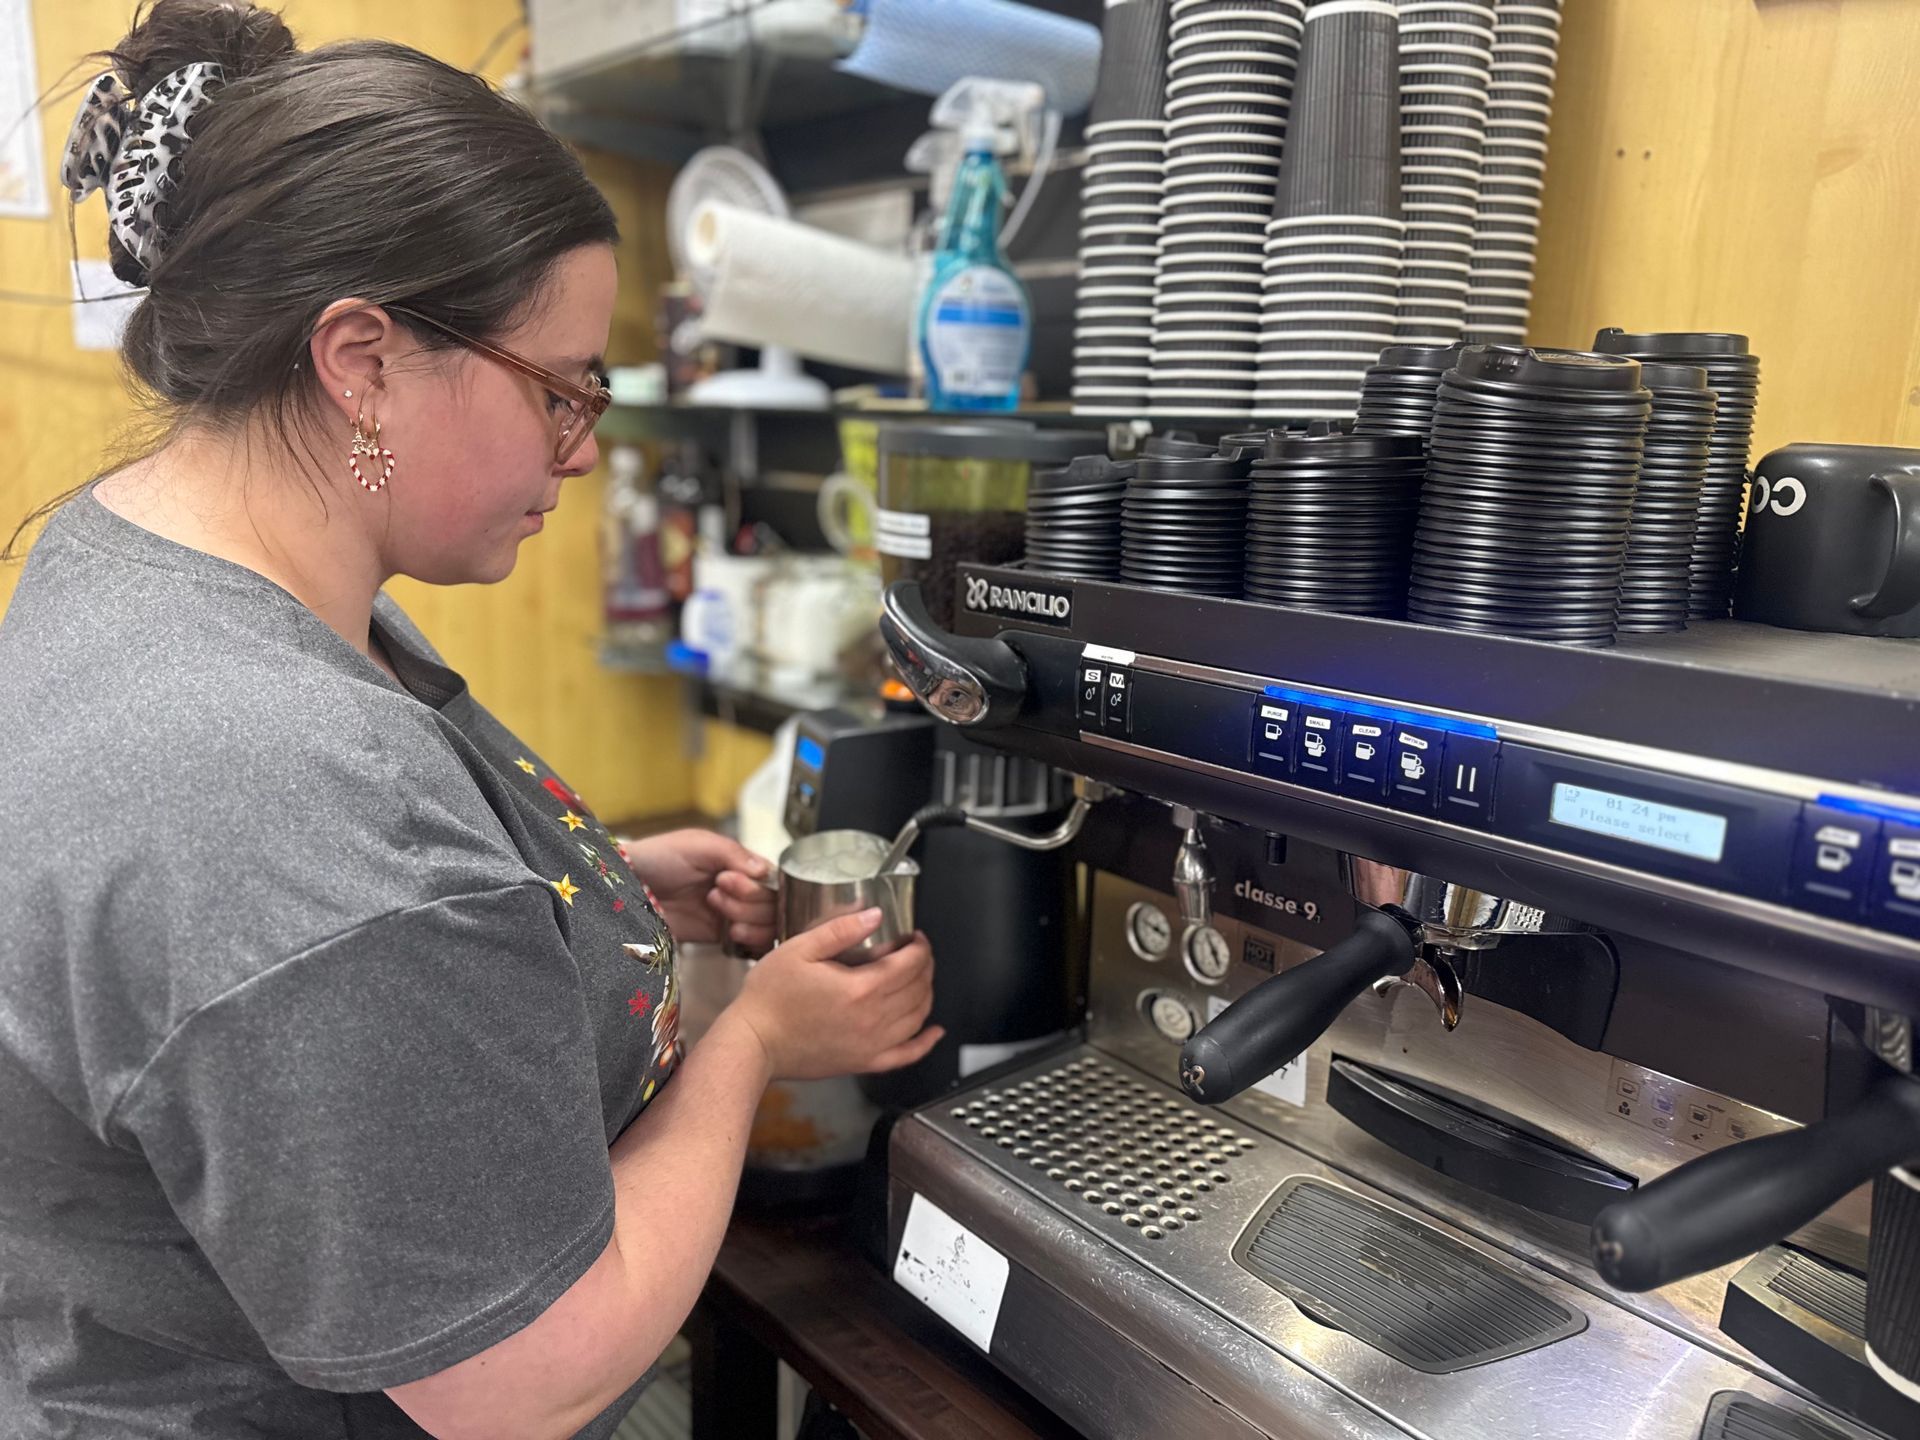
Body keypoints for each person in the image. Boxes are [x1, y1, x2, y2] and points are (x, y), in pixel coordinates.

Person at [0, 3, 941, 1437]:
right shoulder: (274, 784)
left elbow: (319, 952)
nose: (582, 450)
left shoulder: (153, 567)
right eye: (561, 390)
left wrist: (575, 892)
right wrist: (754, 1040)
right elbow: (527, 1382)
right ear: (363, 360)